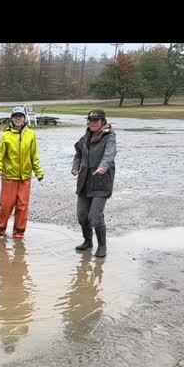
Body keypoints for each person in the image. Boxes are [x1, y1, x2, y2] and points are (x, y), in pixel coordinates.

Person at [0, 106, 44, 240]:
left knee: (22, 206)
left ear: (24, 118)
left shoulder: (31, 134)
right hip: (9, 176)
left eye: (20, 116)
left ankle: (19, 233)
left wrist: (38, 171)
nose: (18, 119)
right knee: (6, 205)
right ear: (12, 118)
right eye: (16, 116)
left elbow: (34, 155)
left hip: (25, 177)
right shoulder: (5, 135)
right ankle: (0, 230)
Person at [72, 109, 117, 258]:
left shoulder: (109, 137)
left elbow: (110, 154)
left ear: (103, 122)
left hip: (101, 181)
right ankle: (88, 241)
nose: (92, 123)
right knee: (82, 215)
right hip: (84, 181)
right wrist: (75, 167)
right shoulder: (85, 137)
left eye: (96, 120)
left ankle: (102, 245)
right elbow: (78, 154)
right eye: (90, 120)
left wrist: (103, 167)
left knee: (95, 217)